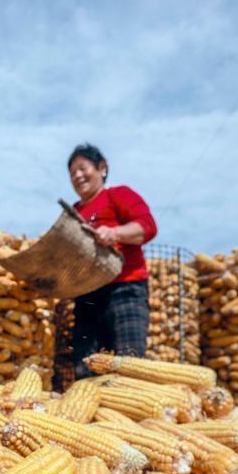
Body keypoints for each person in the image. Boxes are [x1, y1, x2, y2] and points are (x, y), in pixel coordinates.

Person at [66, 143, 158, 380]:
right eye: (72, 172)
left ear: (102, 168)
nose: (77, 176)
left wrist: (115, 233)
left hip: (124, 288)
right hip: (88, 294)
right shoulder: (73, 212)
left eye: (82, 168)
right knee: (86, 368)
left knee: (128, 363)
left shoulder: (117, 195)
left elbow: (147, 227)